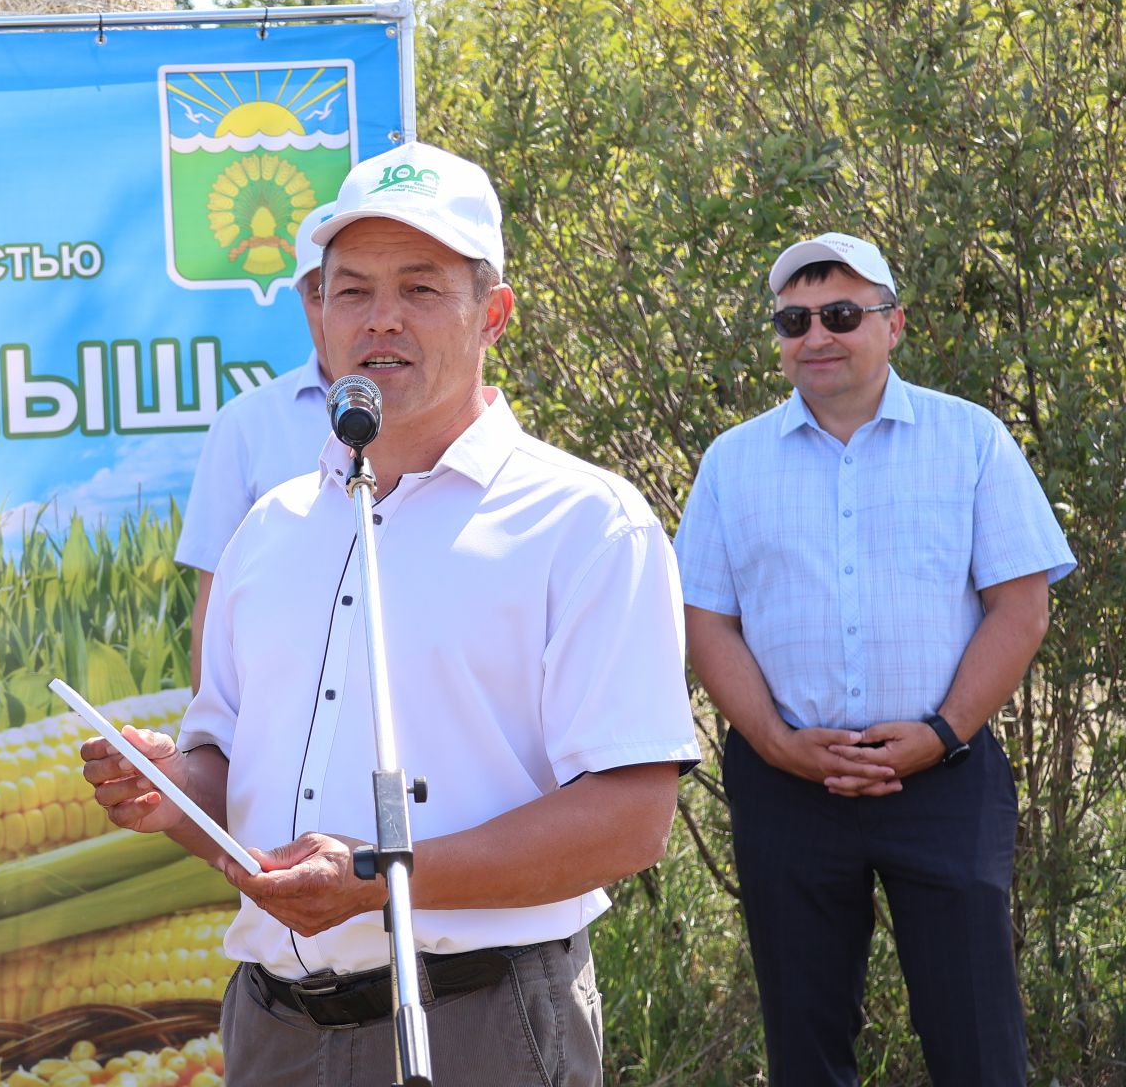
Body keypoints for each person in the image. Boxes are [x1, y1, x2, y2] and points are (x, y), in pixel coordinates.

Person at [81, 140, 699, 1085]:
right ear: (315, 316)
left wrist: (375, 879)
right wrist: (172, 793)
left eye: (421, 289)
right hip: (273, 1029)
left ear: (492, 315)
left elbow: (629, 819)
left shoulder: (585, 524)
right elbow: (224, 769)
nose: (383, 321)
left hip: (479, 1022)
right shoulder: (271, 527)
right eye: (354, 291)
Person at [675, 233, 1075, 1086]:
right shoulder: (730, 463)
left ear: (894, 325)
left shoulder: (972, 441)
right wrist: (780, 744)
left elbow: (1021, 606)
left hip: (946, 774)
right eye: (794, 319)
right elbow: (704, 619)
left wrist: (942, 729)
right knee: (805, 1038)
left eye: (843, 314)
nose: (816, 335)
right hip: (787, 786)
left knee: (976, 1037)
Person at [175, 203, 334, 689]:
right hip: (283, 713)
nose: (337, 311)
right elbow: (214, 602)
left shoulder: (439, 417)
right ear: (302, 301)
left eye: (356, 291)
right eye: (320, 293)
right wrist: (206, 748)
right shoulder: (247, 424)